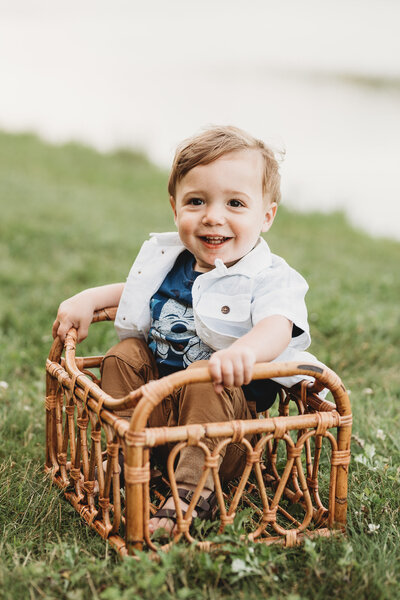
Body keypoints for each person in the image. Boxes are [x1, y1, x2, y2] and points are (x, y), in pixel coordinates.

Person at [53, 125, 318, 535]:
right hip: (156, 418)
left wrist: (245, 352)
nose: (213, 216)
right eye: (197, 201)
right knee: (124, 355)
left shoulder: (270, 277)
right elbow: (134, 290)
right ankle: (125, 452)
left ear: (266, 216)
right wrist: (88, 298)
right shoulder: (171, 261)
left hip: (224, 436)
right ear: (175, 208)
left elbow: (277, 324)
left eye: (235, 203)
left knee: (204, 376)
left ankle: (195, 493)